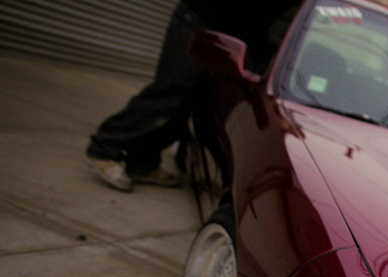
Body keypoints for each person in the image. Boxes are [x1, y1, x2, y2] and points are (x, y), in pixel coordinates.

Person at [85, 1, 296, 191]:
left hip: (230, 30)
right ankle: (104, 148)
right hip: (201, 19)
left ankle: (142, 163)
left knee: (188, 101)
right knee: (172, 92)